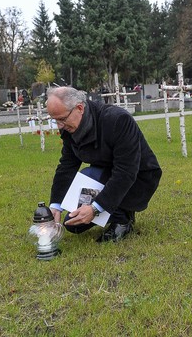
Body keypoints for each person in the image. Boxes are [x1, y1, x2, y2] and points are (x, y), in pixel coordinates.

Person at [46, 87, 162, 242]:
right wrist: (56, 204)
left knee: (96, 207)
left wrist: (95, 208)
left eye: (61, 119)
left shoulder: (117, 120)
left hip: (139, 176)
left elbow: (126, 171)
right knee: (72, 223)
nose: (59, 126)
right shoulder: (69, 127)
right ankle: (116, 209)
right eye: (55, 120)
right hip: (105, 173)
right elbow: (67, 165)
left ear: (79, 108)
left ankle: (123, 218)